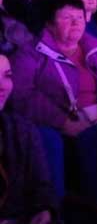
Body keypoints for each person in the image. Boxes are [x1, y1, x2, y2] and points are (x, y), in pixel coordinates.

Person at [10, 0, 97, 135]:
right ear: (50, 24)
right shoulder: (29, 53)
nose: (76, 23)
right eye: (67, 18)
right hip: (59, 125)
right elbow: (22, 94)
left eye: (80, 17)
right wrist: (64, 123)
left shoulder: (95, 49)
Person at [0, 51, 58, 224]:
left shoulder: (23, 129)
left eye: (7, 76)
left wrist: (44, 210)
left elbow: (42, 187)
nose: (2, 86)